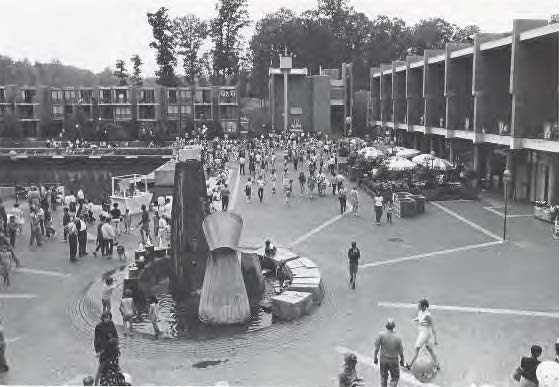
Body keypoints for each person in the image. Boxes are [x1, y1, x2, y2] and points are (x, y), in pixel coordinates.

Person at [406, 298, 439, 371]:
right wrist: (415, 319)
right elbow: (419, 318)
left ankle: (409, 365)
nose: (418, 306)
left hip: (424, 334)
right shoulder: (420, 312)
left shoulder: (428, 315)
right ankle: (437, 364)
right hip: (422, 332)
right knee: (429, 349)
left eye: (420, 305)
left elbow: (433, 327)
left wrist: (435, 339)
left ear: (424, 306)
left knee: (416, 349)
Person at [373, 319, 405, 387]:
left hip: (383, 359)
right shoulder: (398, 338)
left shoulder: (381, 335)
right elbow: (401, 352)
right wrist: (402, 360)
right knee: (394, 378)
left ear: (386, 326)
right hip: (393, 360)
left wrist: (375, 357)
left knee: (383, 377)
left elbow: (376, 348)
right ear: (394, 327)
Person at [94, 312, 120, 386]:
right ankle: (96, 384)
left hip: (112, 349)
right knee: (101, 367)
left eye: (108, 318)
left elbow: (116, 335)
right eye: (105, 318)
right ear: (102, 318)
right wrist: (98, 351)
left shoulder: (111, 324)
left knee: (115, 366)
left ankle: (117, 381)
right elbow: (96, 340)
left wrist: (116, 343)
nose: (106, 319)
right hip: (103, 350)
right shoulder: (98, 327)